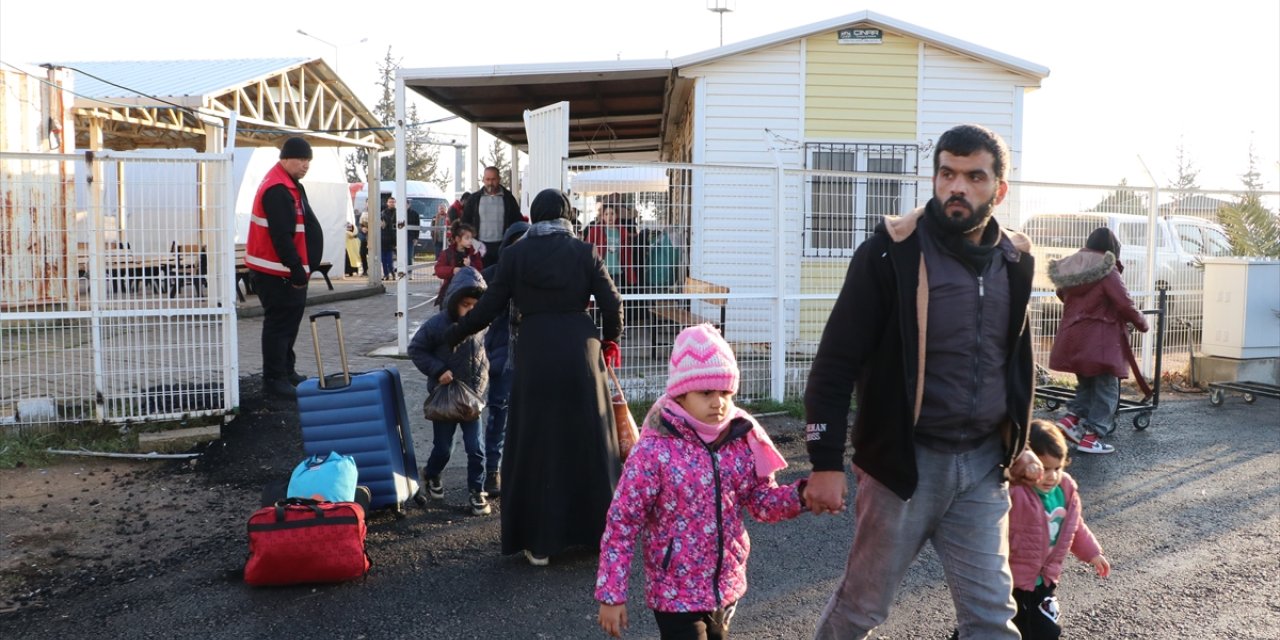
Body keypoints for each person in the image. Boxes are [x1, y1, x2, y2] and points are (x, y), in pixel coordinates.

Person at [802, 123, 1043, 639]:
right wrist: (824, 463)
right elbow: (835, 361)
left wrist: (1017, 440)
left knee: (992, 619)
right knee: (861, 608)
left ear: (999, 190)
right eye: (947, 174)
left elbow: (1014, 361)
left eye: (974, 176)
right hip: (903, 466)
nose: (957, 187)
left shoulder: (1016, 262)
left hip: (982, 466)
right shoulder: (891, 251)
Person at [446, 188, 623, 566]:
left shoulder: (515, 255)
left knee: (537, 441)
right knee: (589, 439)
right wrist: (609, 339)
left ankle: (540, 543)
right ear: (566, 216)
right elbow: (612, 302)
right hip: (581, 352)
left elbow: (489, 306)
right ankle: (597, 534)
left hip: (536, 350)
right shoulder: (584, 251)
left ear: (534, 216)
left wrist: (453, 335)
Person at [595, 324, 806, 640]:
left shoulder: (740, 438)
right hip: (674, 590)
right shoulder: (655, 449)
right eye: (706, 392)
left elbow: (762, 502)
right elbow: (623, 521)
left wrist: (803, 496)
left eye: (725, 392)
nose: (718, 403)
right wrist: (612, 594)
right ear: (681, 394)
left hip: (725, 585)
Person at [1048, 227, 1149, 455]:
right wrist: (1142, 322)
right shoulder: (1107, 270)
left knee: (1087, 385)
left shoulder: (1073, 268)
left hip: (1074, 338)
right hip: (1101, 342)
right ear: (1112, 249)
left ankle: (1070, 421)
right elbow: (1124, 303)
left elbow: (1062, 294)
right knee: (1107, 390)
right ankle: (1091, 437)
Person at [1007, 419, 1110, 639]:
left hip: (1044, 580)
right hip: (1011, 580)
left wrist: (1092, 553)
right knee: (994, 627)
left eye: (1057, 467)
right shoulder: (1016, 492)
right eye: (1043, 468)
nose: (1052, 476)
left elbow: (1074, 526)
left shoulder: (1065, 489)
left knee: (1047, 631)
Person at [408, 266, 492, 517]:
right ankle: (432, 473)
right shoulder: (437, 324)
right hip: (445, 397)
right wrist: (438, 370)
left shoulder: (481, 324)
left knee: (475, 447)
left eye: (475, 305)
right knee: (444, 448)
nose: (471, 310)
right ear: (455, 301)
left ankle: (477, 491)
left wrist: (486, 375)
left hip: (471, 398)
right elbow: (416, 349)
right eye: (466, 304)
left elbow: (486, 352)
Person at [245, 136, 323, 400]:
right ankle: (274, 378)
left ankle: (286, 371)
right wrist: (296, 269)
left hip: (286, 270)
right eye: (301, 159)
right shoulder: (277, 188)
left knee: (289, 324)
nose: (306, 165)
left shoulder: (289, 184)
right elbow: (281, 235)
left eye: (309, 160)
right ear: (286, 158)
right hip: (276, 271)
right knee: (279, 325)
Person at [479, 220, 530, 496]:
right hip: (500, 355)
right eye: (516, 245)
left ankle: (522, 473)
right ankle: (492, 471)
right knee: (499, 413)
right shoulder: (490, 276)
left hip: (532, 356)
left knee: (528, 417)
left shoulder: (537, 276)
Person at [462, 167, 523, 263]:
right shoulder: (474, 199)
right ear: (483, 180)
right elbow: (465, 222)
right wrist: (471, 242)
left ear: (499, 179)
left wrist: (513, 241)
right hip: (480, 247)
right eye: (488, 179)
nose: (490, 183)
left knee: (501, 276)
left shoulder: (508, 198)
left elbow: (517, 221)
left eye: (493, 179)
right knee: (481, 276)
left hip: (503, 246)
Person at [583, 203, 635, 289]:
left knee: (615, 298)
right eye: (606, 214)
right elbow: (587, 248)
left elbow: (627, 254)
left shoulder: (622, 231)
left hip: (616, 272)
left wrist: (630, 274)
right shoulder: (596, 230)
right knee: (600, 298)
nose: (609, 217)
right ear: (602, 216)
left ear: (616, 215)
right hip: (601, 271)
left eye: (612, 213)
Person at [433, 221, 484, 308]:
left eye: (471, 238)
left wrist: (470, 265)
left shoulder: (474, 254)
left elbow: (480, 271)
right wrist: (452, 270)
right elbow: (438, 270)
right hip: (450, 291)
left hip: (469, 291)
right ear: (457, 239)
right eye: (467, 238)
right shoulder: (447, 253)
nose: (470, 241)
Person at [379, 196, 398, 280]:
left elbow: (392, 234)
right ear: (387, 203)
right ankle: (386, 275)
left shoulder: (398, 212)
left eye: (393, 202)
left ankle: (393, 273)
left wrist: (395, 243)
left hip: (390, 243)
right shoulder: (383, 213)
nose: (391, 203)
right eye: (390, 202)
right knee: (383, 261)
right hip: (382, 244)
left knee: (390, 261)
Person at [405, 202, 422, 266]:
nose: (405, 205)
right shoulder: (399, 213)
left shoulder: (415, 214)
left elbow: (417, 227)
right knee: (401, 256)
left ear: (409, 205)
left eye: (406, 204)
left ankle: (409, 272)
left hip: (410, 238)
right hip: (400, 238)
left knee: (409, 256)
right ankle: (401, 271)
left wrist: (416, 238)